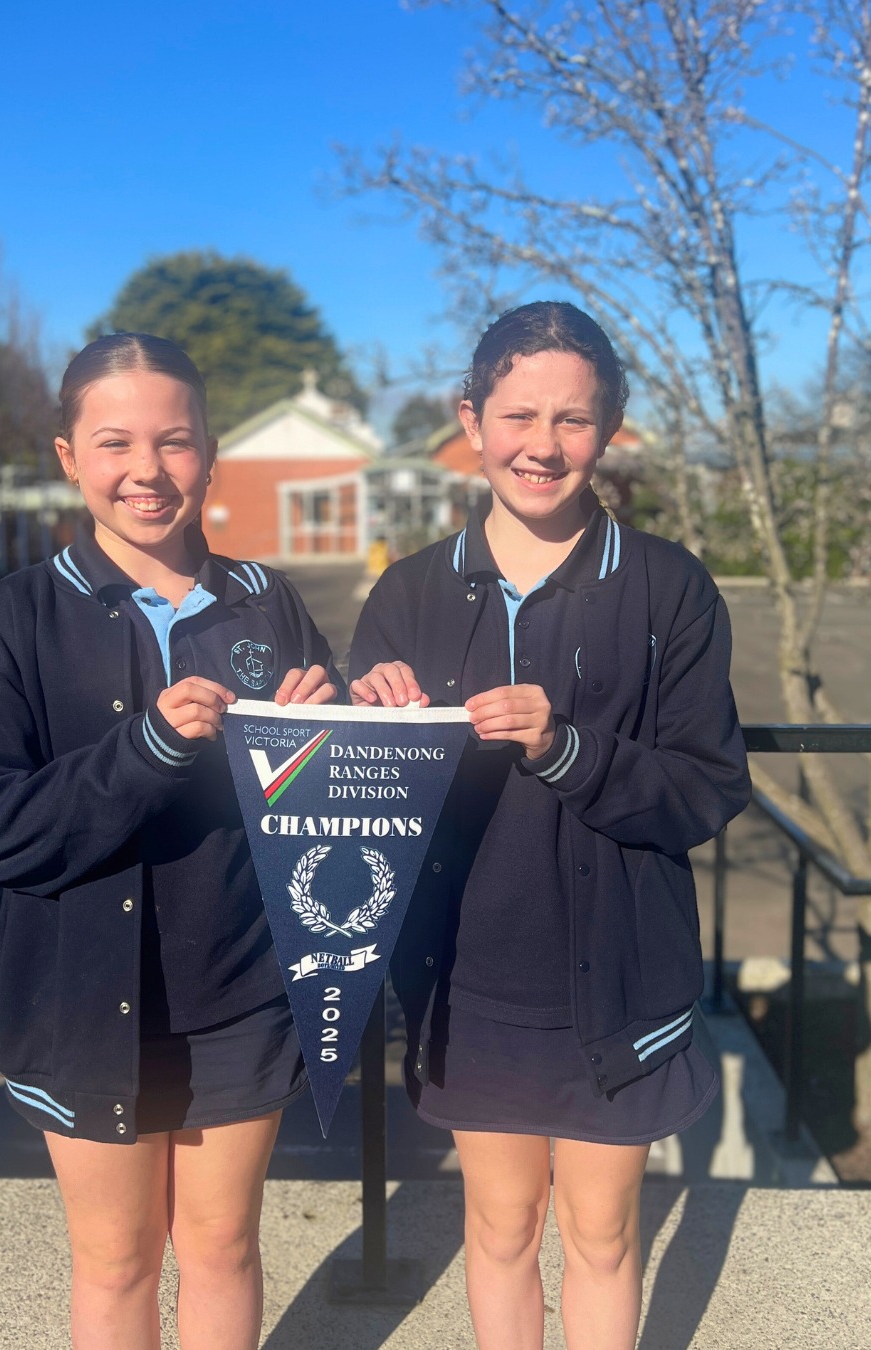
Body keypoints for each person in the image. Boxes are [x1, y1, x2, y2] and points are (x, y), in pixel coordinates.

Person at [0, 333, 343, 1350]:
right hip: (77, 1006)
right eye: (114, 443)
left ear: (209, 453)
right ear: (68, 454)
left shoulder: (267, 600)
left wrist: (334, 732)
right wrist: (146, 748)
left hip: (240, 993)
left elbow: (319, 812)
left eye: (176, 442)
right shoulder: (13, 620)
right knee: (115, 1263)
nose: (147, 472)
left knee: (224, 1250)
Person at [349, 301, 750, 1350]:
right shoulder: (405, 595)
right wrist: (362, 729)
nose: (543, 445)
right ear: (470, 419)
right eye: (518, 414)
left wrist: (567, 746)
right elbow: (362, 824)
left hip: (618, 978)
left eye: (573, 420)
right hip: (472, 984)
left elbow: (706, 789)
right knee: (499, 1225)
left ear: (609, 428)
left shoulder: (670, 588)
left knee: (605, 1232)